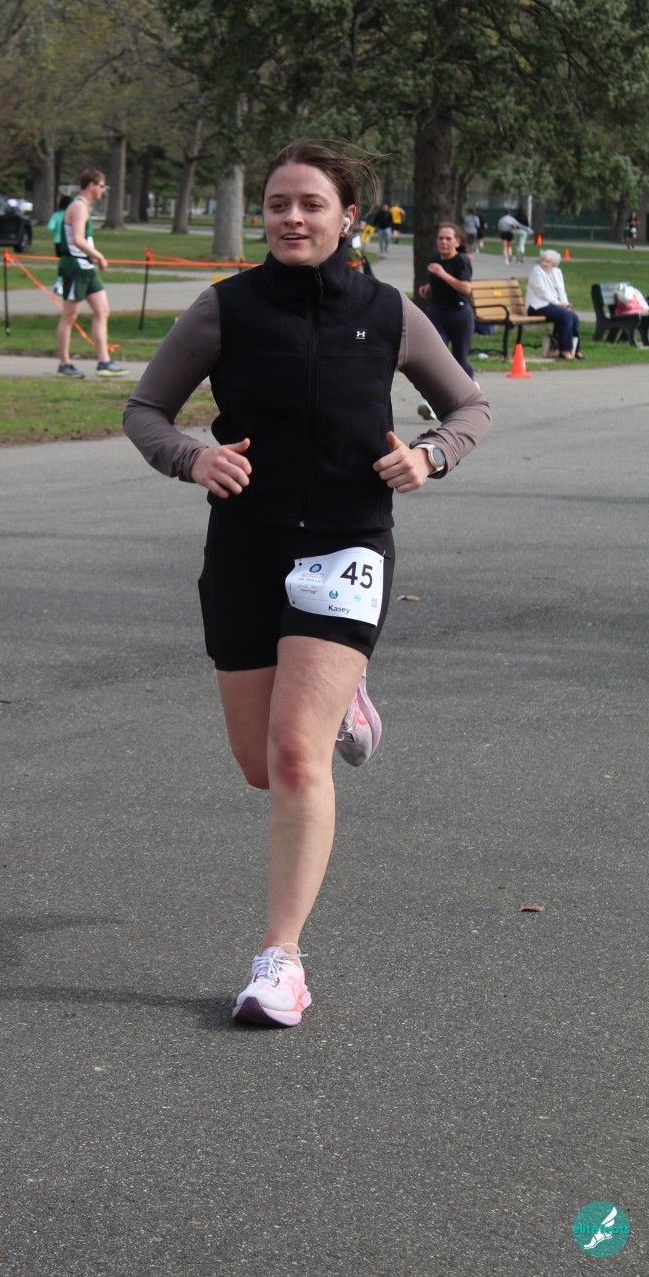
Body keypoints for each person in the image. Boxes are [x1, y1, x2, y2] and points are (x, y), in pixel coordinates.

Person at [123, 138, 491, 1028]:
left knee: (296, 756)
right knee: (260, 768)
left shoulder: (389, 311)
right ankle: (344, 699)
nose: (292, 217)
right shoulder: (225, 309)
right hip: (246, 549)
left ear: (348, 216)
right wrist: (193, 459)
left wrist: (430, 455)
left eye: (312, 203)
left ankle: (279, 961)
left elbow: (469, 405)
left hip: (346, 544)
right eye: (278, 203)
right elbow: (145, 411)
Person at [55, 169, 129, 378]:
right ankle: (64, 363)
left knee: (102, 310)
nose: (103, 190)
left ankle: (104, 362)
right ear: (91, 186)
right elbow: (77, 239)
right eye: (101, 186)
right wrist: (99, 256)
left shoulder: (83, 207)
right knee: (70, 315)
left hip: (86, 267)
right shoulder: (79, 207)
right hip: (75, 266)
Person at [417, 222, 476, 378]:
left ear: (457, 242)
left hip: (459, 315)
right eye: (441, 238)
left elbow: (466, 288)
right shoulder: (435, 259)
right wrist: (428, 286)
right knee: (436, 356)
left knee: (459, 360)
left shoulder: (461, 260)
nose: (443, 242)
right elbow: (439, 279)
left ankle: (470, 389)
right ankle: (436, 392)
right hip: (437, 314)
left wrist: (442, 274)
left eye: (448, 239)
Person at [525, 249, 583, 359]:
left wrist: (565, 304)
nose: (544, 263)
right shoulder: (536, 271)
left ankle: (575, 349)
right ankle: (564, 349)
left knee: (573, 317)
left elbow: (561, 291)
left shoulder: (557, 272)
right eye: (543, 260)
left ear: (554, 263)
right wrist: (558, 303)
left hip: (554, 306)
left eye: (547, 261)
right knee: (565, 315)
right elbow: (541, 291)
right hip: (537, 306)